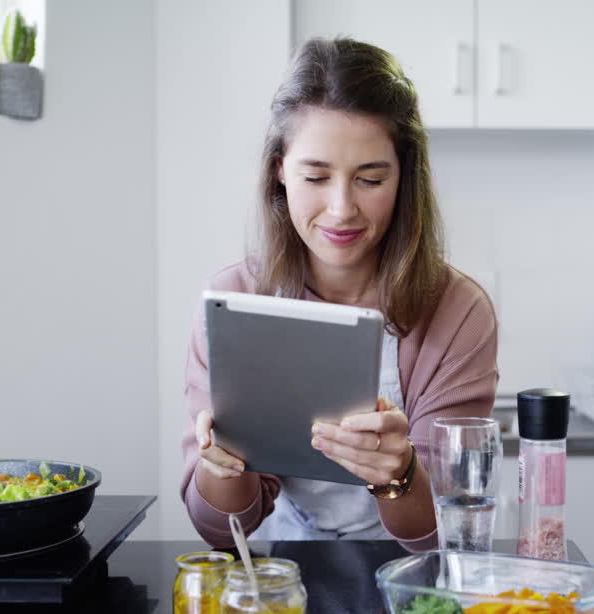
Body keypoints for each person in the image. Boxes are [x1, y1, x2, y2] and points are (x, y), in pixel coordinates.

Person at [180, 37, 499, 552]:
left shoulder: (458, 312)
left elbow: (444, 530)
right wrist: (221, 463)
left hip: (411, 581)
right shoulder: (234, 297)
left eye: (370, 179)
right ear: (279, 171)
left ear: (404, 177)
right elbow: (217, 530)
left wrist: (398, 474)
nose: (341, 209)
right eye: (316, 176)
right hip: (281, 579)